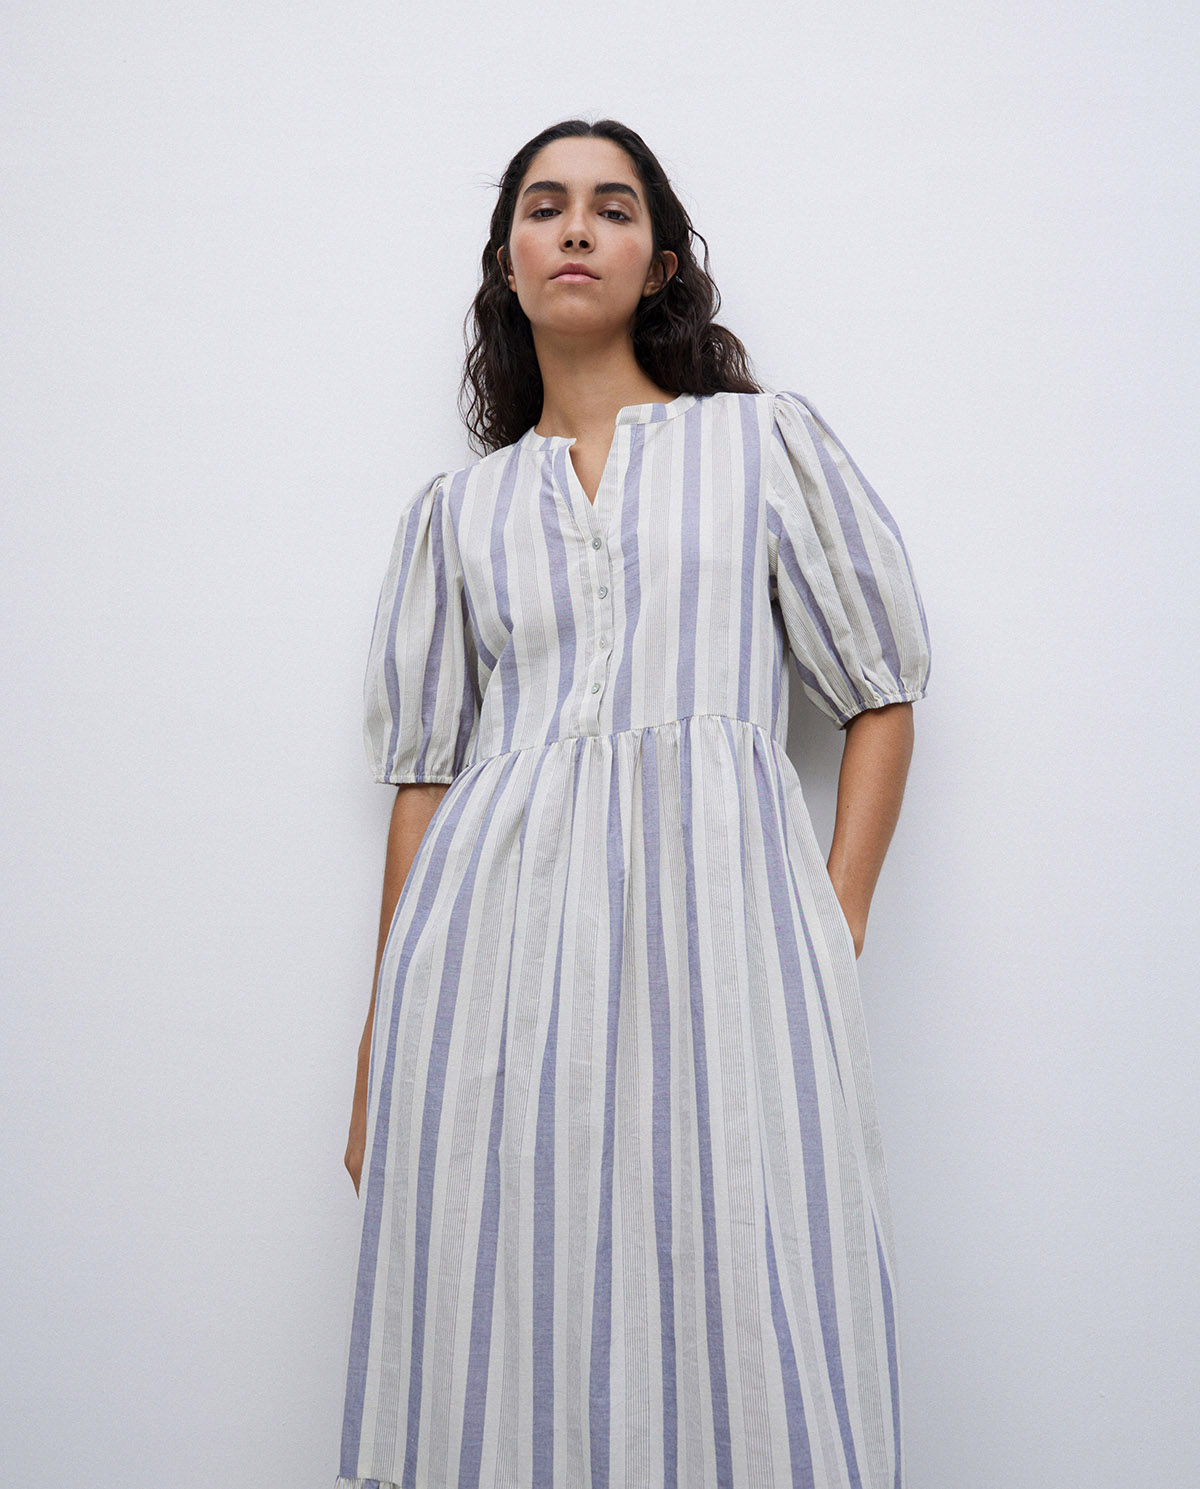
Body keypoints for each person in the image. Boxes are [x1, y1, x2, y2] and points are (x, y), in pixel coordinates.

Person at [335, 117, 932, 1489]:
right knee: (510, 1305)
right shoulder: (459, 512)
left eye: (613, 208)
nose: (577, 228)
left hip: (729, 941)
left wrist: (829, 927)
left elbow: (882, 692)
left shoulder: (759, 445)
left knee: (755, 1284)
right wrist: (379, 1044)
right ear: (508, 259)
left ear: (659, 263)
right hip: (491, 963)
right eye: (546, 207)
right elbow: (425, 784)